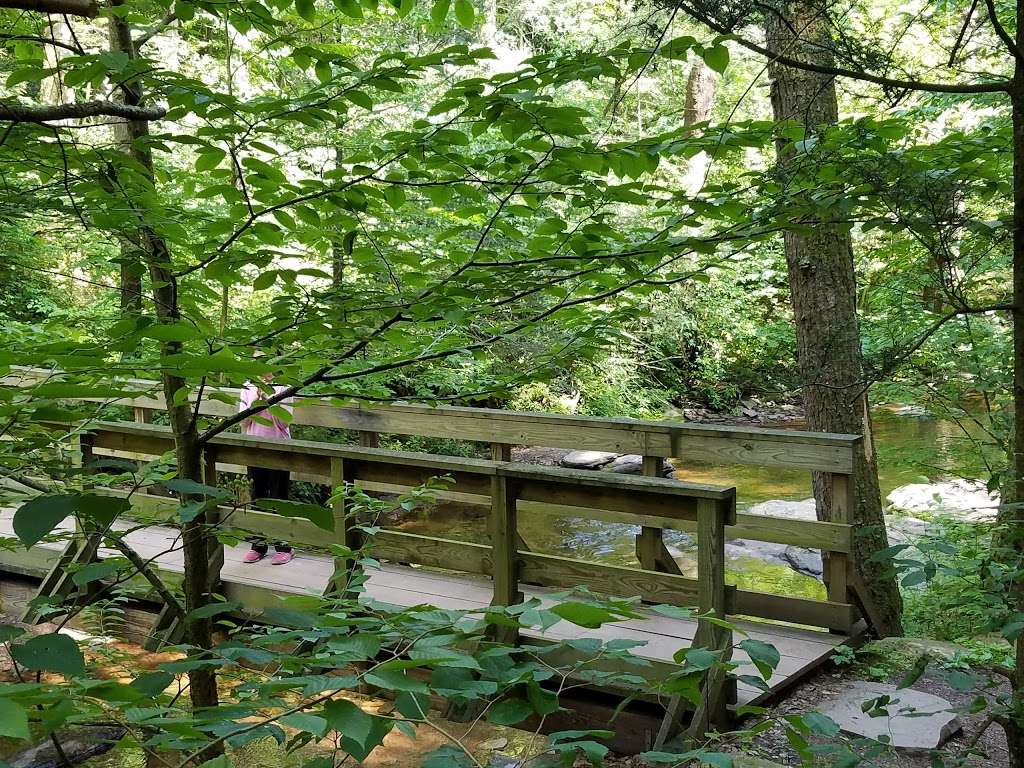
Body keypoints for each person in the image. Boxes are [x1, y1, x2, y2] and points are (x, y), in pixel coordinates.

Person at [238, 373, 295, 565]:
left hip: (279, 447)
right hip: (254, 447)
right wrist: (256, 402)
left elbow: (284, 422)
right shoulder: (247, 387)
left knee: (279, 496)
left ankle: (284, 546)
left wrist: (269, 401)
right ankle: (258, 545)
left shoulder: (284, 387)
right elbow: (243, 421)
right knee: (257, 495)